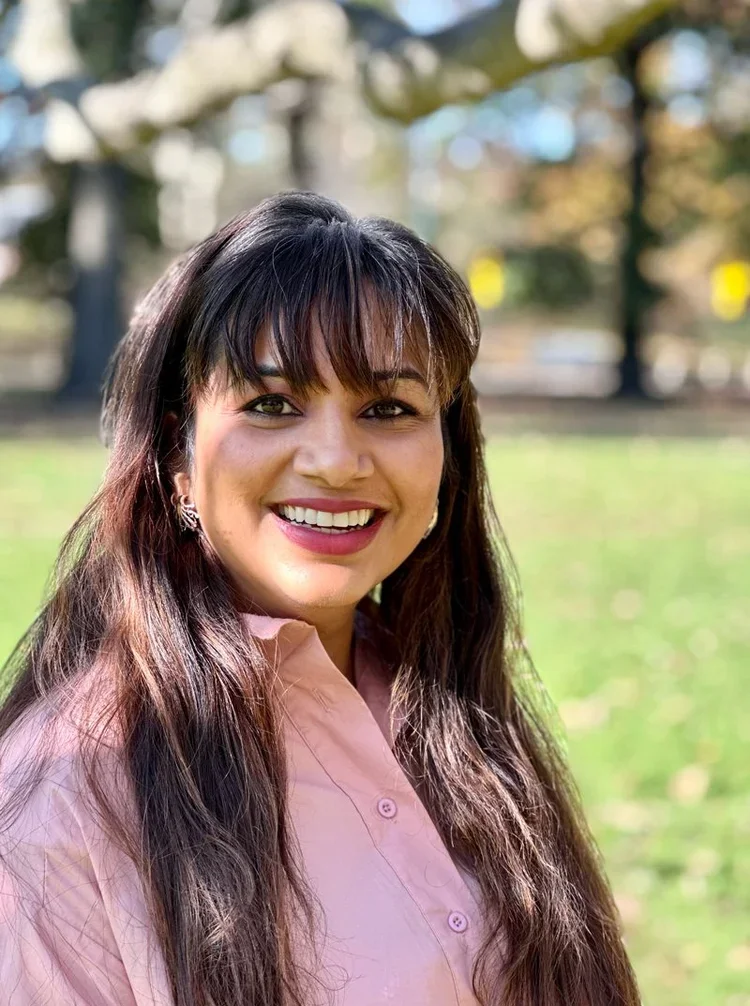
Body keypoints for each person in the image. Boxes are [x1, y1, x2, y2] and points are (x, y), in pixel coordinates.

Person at [0, 192, 639, 1006]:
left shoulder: (449, 707)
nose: (336, 460)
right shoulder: (66, 804)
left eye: (387, 408)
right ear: (177, 457)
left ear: (447, 454)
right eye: (271, 405)